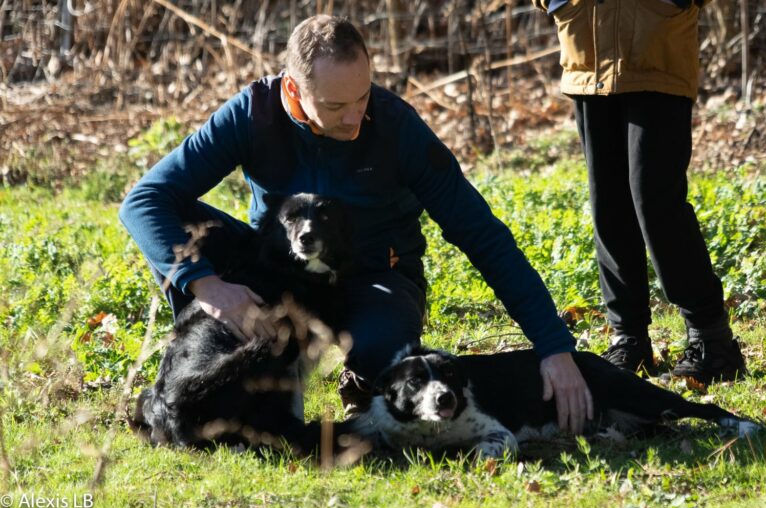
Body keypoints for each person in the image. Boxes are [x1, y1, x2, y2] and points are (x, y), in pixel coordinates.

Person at [119, 15, 594, 432]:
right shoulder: (254, 113)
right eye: (333, 106)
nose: (353, 118)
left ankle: (359, 378)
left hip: (373, 275)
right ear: (292, 90)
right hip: (277, 271)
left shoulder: (395, 127)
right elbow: (142, 201)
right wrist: (207, 286)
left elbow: (480, 233)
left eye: (362, 98)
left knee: (382, 349)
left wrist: (552, 346)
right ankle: (198, 370)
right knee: (172, 220)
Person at [532, 0, 747, 383]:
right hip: (586, 48)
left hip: (656, 45)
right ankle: (628, 338)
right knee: (609, 206)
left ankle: (711, 339)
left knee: (656, 202)